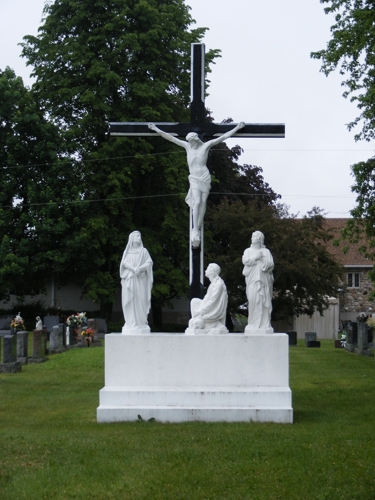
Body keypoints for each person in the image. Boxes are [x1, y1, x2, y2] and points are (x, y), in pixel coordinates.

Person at [148, 121, 246, 245]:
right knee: (197, 201)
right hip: (194, 178)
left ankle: (198, 228)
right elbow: (171, 138)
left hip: (204, 177)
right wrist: (156, 128)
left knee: (203, 202)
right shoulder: (187, 146)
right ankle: (195, 229)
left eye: (192, 141)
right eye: (189, 142)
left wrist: (237, 127)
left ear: (196, 140)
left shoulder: (206, 146)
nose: (191, 144)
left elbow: (223, 137)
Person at [120, 231, 153, 333]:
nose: (139, 238)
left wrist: (141, 268)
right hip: (129, 280)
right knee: (130, 300)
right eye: (137, 236)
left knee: (140, 300)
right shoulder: (127, 252)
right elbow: (123, 265)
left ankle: (141, 323)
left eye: (140, 236)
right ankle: (131, 322)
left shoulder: (144, 251)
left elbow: (149, 262)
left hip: (140, 281)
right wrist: (132, 269)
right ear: (132, 239)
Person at [242, 231, 274, 332]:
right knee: (252, 300)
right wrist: (256, 257)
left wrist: (263, 260)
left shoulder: (266, 252)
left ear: (260, 239)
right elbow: (245, 261)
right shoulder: (248, 251)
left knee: (263, 300)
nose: (252, 237)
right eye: (252, 236)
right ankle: (252, 323)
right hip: (252, 280)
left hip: (263, 281)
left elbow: (271, 265)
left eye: (255, 236)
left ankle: (264, 324)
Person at [187, 263, 228, 334]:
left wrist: (201, 311)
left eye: (207, 269)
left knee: (196, 318)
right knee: (194, 301)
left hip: (213, 310)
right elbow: (206, 298)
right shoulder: (213, 283)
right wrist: (200, 309)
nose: (205, 271)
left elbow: (212, 301)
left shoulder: (218, 284)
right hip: (209, 307)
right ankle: (197, 320)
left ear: (212, 271)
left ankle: (199, 322)